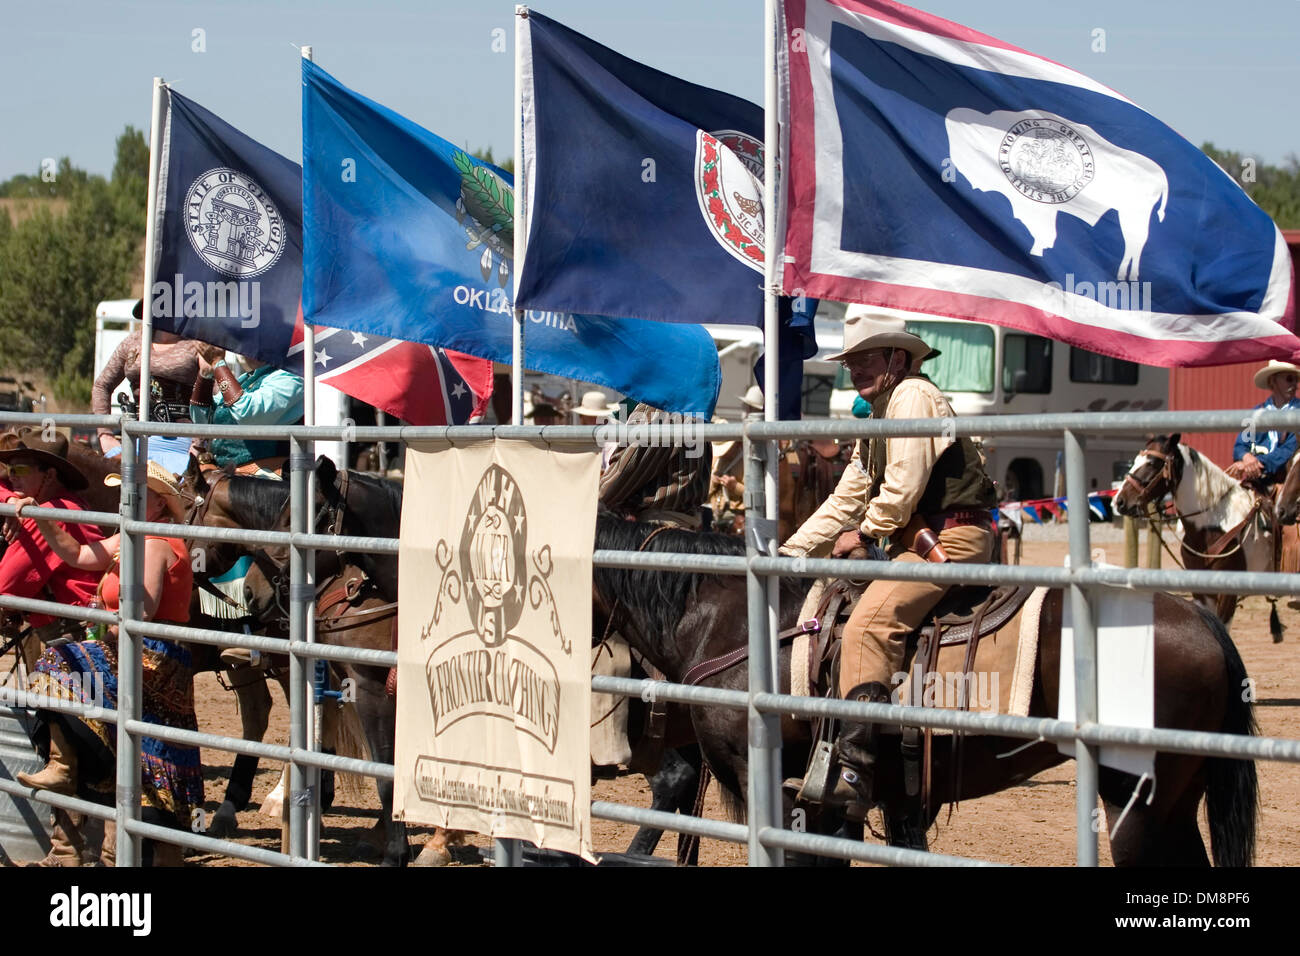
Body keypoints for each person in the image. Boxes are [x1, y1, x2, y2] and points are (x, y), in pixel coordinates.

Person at [778, 306, 997, 807]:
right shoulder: (881, 412)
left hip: (951, 542)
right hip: (915, 541)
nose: (853, 371)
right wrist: (789, 554)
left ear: (898, 359)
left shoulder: (914, 395)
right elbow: (846, 498)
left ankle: (854, 769)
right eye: (849, 362)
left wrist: (865, 534)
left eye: (864, 359)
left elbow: (900, 489)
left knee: (867, 626)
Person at [10, 460, 201, 867]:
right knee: (107, 725)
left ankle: (68, 775)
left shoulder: (154, 540)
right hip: (127, 650)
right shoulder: (130, 536)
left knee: (60, 663)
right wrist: (40, 517)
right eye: (124, 493)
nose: (125, 500)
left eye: (136, 493)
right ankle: (69, 777)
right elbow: (77, 553)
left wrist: (103, 621)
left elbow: (143, 609)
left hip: (154, 657)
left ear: (160, 503)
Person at [0, 431, 104, 663]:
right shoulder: (66, 505)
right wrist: (9, 499)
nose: (12, 477)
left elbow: (4, 585)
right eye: (10, 470)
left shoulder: (51, 516)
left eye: (21, 469)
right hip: (78, 628)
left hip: (72, 638)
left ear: (49, 475)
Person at [92, 301, 205, 474]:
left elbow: (214, 396)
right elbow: (102, 386)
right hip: (135, 440)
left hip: (181, 446)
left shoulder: (198, 344)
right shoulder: (133, 342)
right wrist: (105, 435)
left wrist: (199, 444)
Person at [190, 345, 304, 477]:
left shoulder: (291, 378)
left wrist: (218, 364)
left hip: (264, 481)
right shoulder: (247, 379)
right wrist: (206, 374)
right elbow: (202, 422)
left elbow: (248, 414)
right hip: (227, 478)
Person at [598, 403, 712, 529]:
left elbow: (626, 470)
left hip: (658, 524)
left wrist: (592, 499)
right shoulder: (695, 405)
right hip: (682, 521)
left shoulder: (661, 405)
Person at [1226, 359, 1300, 489]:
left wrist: (1255, 463)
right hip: (1256, 482)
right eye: (1289, 379)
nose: (1295, 384)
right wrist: (1246, 457)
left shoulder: (1298, 414)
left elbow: (1289, 450)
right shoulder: (1255, 413)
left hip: (1287, 485)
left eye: (1296, 380)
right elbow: (1240, 446)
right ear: (1273, 381)